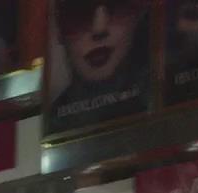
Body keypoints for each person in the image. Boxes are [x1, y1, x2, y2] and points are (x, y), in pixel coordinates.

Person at [49, 0, 150, 133]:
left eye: (116, 6)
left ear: (139, 14)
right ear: (59, 29)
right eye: (78, 11)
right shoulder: (51, 123)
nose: (99, 28)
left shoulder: (162, 97)